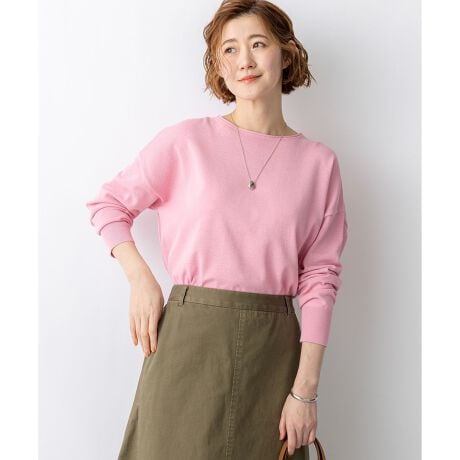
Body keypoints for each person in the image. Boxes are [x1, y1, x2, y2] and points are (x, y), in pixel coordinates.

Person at [85, 1, 348, 458]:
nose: (244, 60)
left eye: (258, 44)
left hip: (274, 351)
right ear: (219, 66)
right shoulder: (185, 142)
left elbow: (320, 278)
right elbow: (108, 204)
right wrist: (141, 278)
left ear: (285, 53)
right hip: (188, 341)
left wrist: (305, 391)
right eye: (230, 49)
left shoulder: (318, 164)